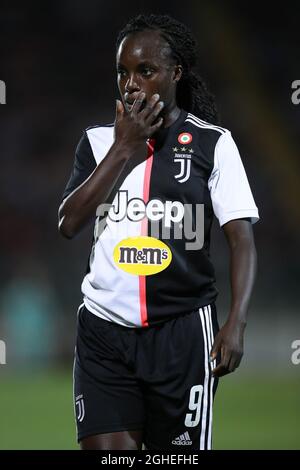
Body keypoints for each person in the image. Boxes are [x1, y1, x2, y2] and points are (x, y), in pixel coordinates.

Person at [58, 14, 259, 451]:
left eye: (145, 71)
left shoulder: (213, 143)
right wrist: (124, 147)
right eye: (122, 72)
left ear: (175, 73)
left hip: (181, 334)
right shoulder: (96, 142)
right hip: (103, 331)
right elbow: (68, 223)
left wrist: (236, 323)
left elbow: (241, 238)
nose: (131, 84)